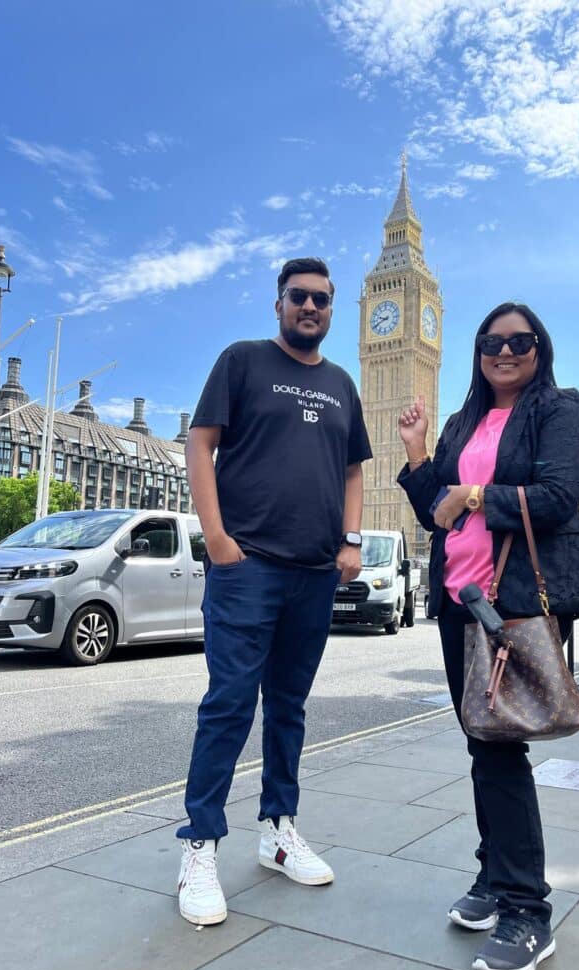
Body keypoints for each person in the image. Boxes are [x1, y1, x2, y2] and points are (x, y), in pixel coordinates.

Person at [397, 301, 579, 970]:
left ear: (540, 347)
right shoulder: (465, 420)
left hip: (515, 606)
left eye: (520, 341)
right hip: (462, 603)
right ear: (478, 351)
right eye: (491, 341)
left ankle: (526, 911)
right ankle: (493, 877)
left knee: (499, 747)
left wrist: (476, 494)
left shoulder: (557, 409)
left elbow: (557, 498)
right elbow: (436, 511)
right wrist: (422, 455)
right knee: (482, 739)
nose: (505, 351)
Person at [176, 257, 372, 925]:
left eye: (321, 299)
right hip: (247, 566)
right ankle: (200, 844)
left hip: (315, 572)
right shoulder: (243, 361)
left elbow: (352, 470)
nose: (310, 307)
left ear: (331, 308)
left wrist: (352, 541)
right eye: (299, 297)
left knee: (288, 708)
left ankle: (278, 831)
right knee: (229, 705)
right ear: (279, 303)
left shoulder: (343, 384)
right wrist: (218, 540)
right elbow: (200, 446)